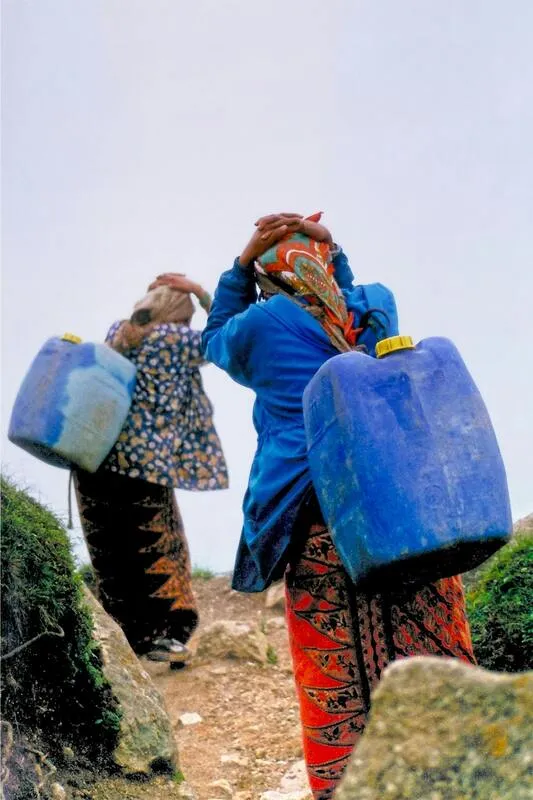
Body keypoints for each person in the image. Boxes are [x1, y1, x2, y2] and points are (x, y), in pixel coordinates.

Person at [185, 212, 475, 799]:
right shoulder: (376, 303)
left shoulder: (261, 324)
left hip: (310, 504)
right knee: (424, 632)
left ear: (271, 273)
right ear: (326, 259)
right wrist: (334, 255)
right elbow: (343, 311)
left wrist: (243, 264)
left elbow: (214, 340)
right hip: (398, 499)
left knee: (333, 649)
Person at [73, 276, 228, 666]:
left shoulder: (121, 331)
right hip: (142, 468)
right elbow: (224, 335)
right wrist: (199, 291)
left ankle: (121, 640)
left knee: (111, 551)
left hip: (93, 461)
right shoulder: (176, 342)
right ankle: (167, 637)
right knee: (159, 548)